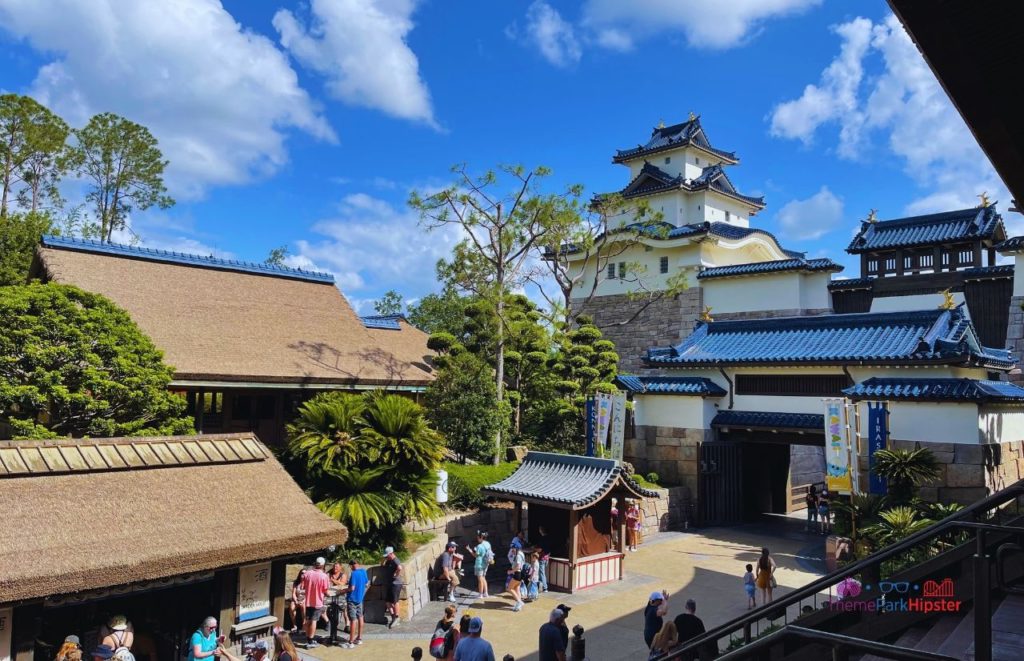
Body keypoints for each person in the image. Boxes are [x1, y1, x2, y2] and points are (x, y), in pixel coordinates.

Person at [300, 557, 331, 647]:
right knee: (314, 620)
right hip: (318, 602)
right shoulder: (324, 576)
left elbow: (303, 586)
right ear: (323, 565)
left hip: (308, 601)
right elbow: (325, 590)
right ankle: (310, 640)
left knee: (308, 620)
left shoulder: (308, 573)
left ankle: (308, 638)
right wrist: (328, 594)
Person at [343, 559, 368, 648]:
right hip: (360, 598)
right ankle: (359, 638)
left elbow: (352, 588)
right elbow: (366, 583)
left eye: (350, 566)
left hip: (352, 599)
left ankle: (351, 642)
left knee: (353, 620)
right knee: (360, 617)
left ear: (352, 565)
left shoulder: (354, 573)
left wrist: (344, 590)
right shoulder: (363, 571)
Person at [466, 531, 493, 599]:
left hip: (480, 564)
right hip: (486, 563)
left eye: (478, 537)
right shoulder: (488, 543)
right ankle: (486, 593)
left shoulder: (479, 546)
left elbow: (475, 555)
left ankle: (480, 594)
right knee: (483, 577)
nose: (477, 538)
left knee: (480, 579)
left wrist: (469, 550)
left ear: (481, 537)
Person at [382, 546, 404, 628]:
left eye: (387, 555)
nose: (386, 557)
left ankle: (397, 617)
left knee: (395, 601)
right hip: (390, 583)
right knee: (388, 601)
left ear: (391, 553)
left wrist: (396, 573)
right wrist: (384, 559)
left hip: (396, 584)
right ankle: (393, 617)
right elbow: (382, 565)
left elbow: (400, 567)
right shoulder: (389, 560)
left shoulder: (395, 560)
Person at [505, 539, 525, 612]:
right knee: (517, 588)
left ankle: (519, 602)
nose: (512, 550)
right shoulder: (521, 554)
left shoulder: (518, 555)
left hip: (517, 574)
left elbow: (518, 567)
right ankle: (519, 604)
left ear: (516, 548)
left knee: (509, 588)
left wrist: (511, 571)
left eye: (513, 548)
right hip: (520, 574)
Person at [534, 526, 551, 593]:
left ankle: (545, 587)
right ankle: (541, 586)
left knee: (541, 573)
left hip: (542, 557)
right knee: (542, 572)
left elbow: (540, 549)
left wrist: (534, 549)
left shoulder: (542, 539)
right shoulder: (549, 538)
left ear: (541, 531)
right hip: (547, 557)